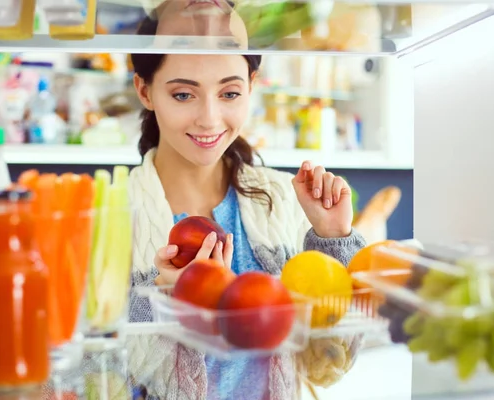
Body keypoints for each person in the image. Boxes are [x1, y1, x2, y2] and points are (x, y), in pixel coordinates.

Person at [126, 10, 367, 400]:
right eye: (183, 94)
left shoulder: (283, 198)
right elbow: (80, 380)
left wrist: (332, 239)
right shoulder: (111, 211)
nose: (209, 118)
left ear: (251, 86)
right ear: (145, 91)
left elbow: (329, 363)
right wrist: (159, 297)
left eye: (230, 93)